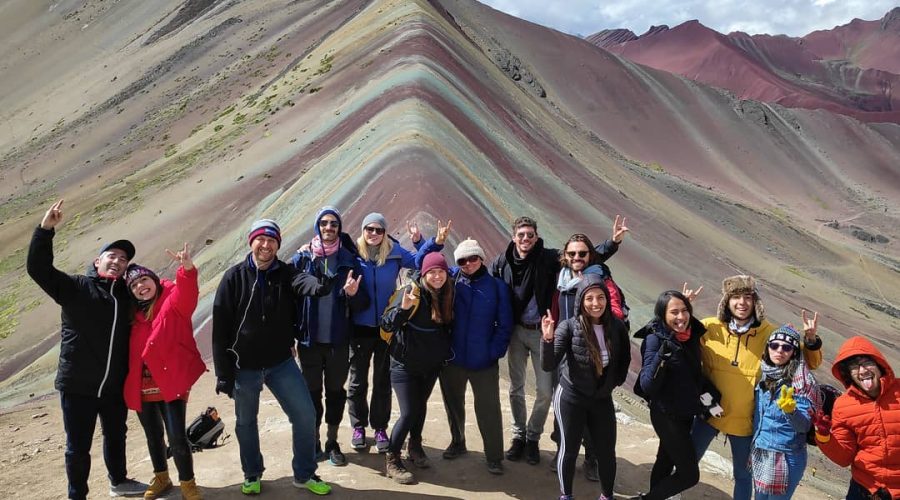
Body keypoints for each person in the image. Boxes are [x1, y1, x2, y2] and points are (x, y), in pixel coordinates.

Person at [26, 199, 147, 500]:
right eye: (112, 256)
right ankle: (76, 494)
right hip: (78, 384)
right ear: (98, 262)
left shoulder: (125, 297)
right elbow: (38, 268)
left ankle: (118, 481)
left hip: (112, 385)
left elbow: (154, 292)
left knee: (116, 435)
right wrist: (45, 231)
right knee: (78, 446)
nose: (118, 261)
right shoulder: (76, 287)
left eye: (123, 259)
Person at [491, 215, 627, 465]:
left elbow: (583, 257)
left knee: (545, 391)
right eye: (521, 235)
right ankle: (519, 437)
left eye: (530, 235)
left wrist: (612, 243)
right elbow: (491, 288)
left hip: (541, 331)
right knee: (516, 388)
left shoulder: (548, 258)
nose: (525, 239)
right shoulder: (503, 261)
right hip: (515, 332)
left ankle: (533, 437)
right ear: (513, 237)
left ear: (536, 236)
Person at [212, 219, 334, 496]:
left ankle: (304, 474)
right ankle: (252, 474)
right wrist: (223, 373)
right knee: (246, 423)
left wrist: (321, 285)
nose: (266, 246)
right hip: (244, 366)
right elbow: (219, 330)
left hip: (281, 363)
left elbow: (305, 283)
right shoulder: (233, 278)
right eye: (261, 240)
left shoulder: (286, 273)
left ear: (278, 245)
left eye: (272, 241)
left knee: (305, 415)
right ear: (251, 241)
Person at [692, 275, 823, 500]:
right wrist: (683, 309)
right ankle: (671, 494)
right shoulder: (709, 327)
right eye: (735, 297)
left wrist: (811, 340)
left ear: (755, 303)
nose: (742, 303)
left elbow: (806, 361)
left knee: (743, 476)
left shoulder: (768, 333)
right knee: (687, 461)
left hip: (745, 421)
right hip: (709, 411)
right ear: (726, 301)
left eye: (747, 297)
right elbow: (682, 340)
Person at [417, 234, 513, 474]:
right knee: (453, 405)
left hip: (484, 361)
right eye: (462, 260)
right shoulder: (452, 282)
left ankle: (494, 456)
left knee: (488, 408)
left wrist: (495, 352)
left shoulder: (497, 287)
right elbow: (427, 265)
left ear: (481, 258)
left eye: (473, 258)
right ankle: (458, 442)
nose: (468, 264)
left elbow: (505, 325)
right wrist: (422, 241)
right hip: (453, 359)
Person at [121, 245, 206, 500]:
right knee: (153, 435)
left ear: (155, 281)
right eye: (134, 285)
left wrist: (187, 270)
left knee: (177, 436)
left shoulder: (172, 302)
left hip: (170, 382)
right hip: (141, 386)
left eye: (144, 280)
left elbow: (188, 294)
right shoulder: (131, 316)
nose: (140, 287)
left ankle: (188, 483)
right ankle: (162, 477)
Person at [549, 232, 631, 479]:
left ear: (590, 255)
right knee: (562, 405)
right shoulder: (561, 278)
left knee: (594, 407)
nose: (577, 257)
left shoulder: (598, 278)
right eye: (572, 253)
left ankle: (592, 457)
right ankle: (562, 449)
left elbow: (614, 309)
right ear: (565, 256)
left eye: (582, 253)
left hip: (593, 354)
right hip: (565, 351)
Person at [291, 206, 367, 466]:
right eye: (324, 223)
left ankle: (332, 441)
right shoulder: (302, 259)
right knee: (311, 393)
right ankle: (312, 441)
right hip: (309, 340)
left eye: (334, 224)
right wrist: (290, 336)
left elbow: (363, 302)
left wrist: (353, 294)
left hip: (337, 341)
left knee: (335, 392)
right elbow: (289, 299)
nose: (328, 227)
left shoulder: (349, 260)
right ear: (317, 226)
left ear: (340, 228)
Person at [348, 214, 424, 454]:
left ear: (385, 233)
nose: (373, 233)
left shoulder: (394, 253)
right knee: (357, 380)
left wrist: (420, 241)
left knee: (382, 381)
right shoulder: (353, 254)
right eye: (369, 228)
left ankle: (380, 427)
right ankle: (358, 427)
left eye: (378, 230)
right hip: (358, 328)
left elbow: (421, 262)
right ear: (363, 230)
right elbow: (327, 252)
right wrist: (306, 249)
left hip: (386, 328)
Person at [380, 252, 454, 485]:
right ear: (423, 273)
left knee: (420, 408)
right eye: (432, 271)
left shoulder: (448, 294)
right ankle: (392, 458)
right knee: (409, 411)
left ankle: (415, 447)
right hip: (404, 364)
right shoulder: (411, 292)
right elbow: (386, 323)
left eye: (441, 271)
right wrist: (403, 309)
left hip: (430, 365)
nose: (437, 276)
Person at [633, 290, 708, 500]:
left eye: (684, 311)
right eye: (674, 312)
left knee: (665, 462)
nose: (681, 317)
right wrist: (663, 355)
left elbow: (693, 374)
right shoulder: (654, 340)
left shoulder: (690, 335)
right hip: (666, 415)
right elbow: (647, 384)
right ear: (662, 315)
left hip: (686, 413)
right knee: (689, 475)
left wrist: (711, 401)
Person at [814, 336, 899, 499]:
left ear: (879, 365)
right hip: (865, 489)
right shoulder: (843, 405)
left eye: (866, 363)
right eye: (854, 367)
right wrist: (824, 437)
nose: (862, 371)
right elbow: (844, 457)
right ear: (848, 374)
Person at [749, 324, 818, 499]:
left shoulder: (801, 382)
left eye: (786, 347)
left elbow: (803, 426)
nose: (779, 351)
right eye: (774, 345)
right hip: (761, 449)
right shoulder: (764, 374)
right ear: (768, 348)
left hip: (786, 456)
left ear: (794, 352)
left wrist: (790, 411)